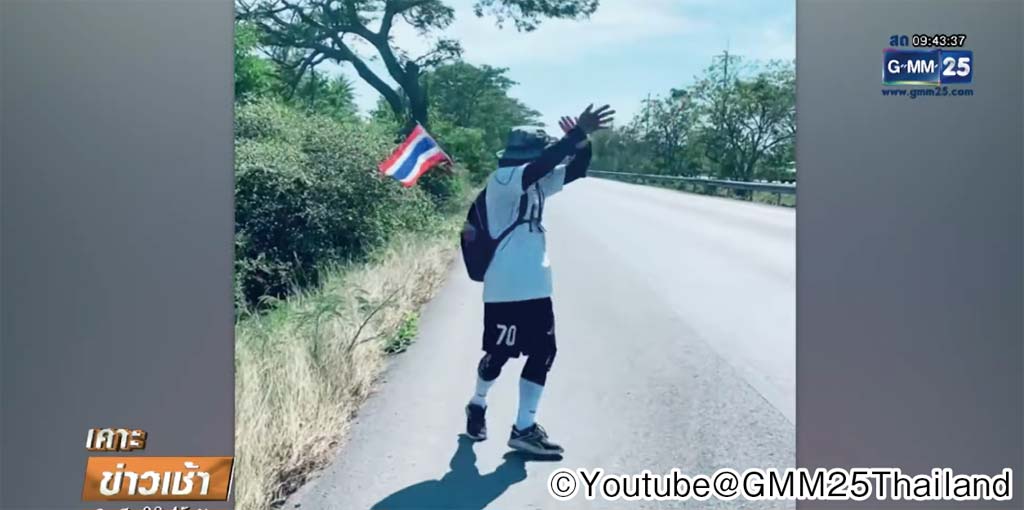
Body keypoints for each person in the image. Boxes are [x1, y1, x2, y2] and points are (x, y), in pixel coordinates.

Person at [464, 104, 615, 456]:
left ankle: (524, 427)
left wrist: (582, 142)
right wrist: (574, 135)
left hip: (536, 284)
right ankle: (478, 402)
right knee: (498, 355)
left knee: (544, 351)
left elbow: (576, 170)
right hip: (505, 286)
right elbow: (543, 165)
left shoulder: (536, 184)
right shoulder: (504, 180)